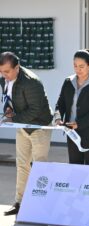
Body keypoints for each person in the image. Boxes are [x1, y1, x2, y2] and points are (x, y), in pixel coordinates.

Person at [0, 51, 52, 216]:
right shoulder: (5, 78)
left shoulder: (31, 82)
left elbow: (36, 110)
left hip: (39, 127)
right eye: (1, 71)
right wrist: (8, 109)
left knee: (39, 166)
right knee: (22, 164)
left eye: (7, 71)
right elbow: (8, 97)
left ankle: (40, 205)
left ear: (17, 67)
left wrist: (13, 120)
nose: (4, 75)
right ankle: (20, 203)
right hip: (22, 125)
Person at [54, 49, 89, 165]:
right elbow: (60, 103)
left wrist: (79, 124)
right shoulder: (68, 82)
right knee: (75, 169)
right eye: (75, 66)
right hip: (72, 133)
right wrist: (57, 117)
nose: (78, 70)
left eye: (81, 66)